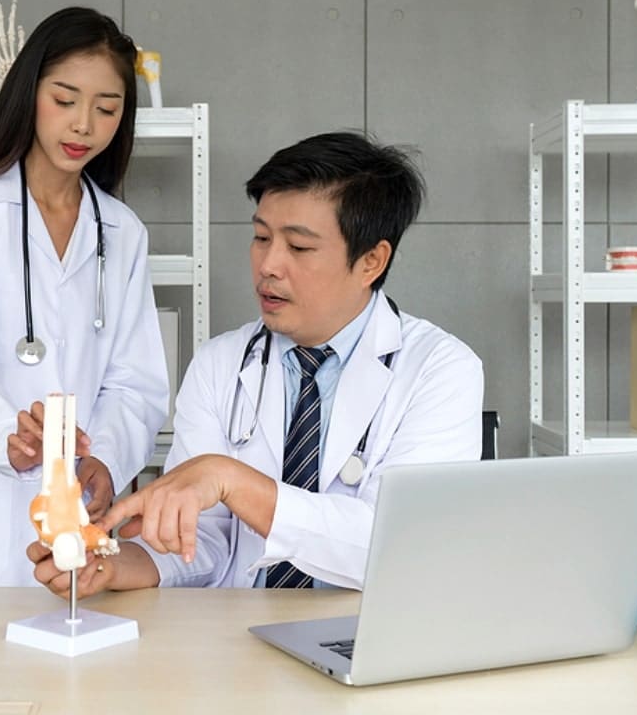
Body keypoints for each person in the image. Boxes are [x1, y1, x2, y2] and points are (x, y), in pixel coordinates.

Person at [30, 130, 483, 597]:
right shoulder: (219, 364)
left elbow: (402, 547)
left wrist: (232, 480)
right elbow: (202, 540)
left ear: (371, 261)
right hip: (242, 638)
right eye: (261, 237)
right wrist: (111, 564)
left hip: (367, 639)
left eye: (299, 247)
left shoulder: (440, 370)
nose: (269, 264)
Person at [0, 7, 170, 711]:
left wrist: (103, 455)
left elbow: (136, 379)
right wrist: (1, 434)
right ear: (27, 92)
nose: (84, 126)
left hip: (71, 505)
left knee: (65, 690)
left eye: (107, 107)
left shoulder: (122, 232)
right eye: (65, 100)